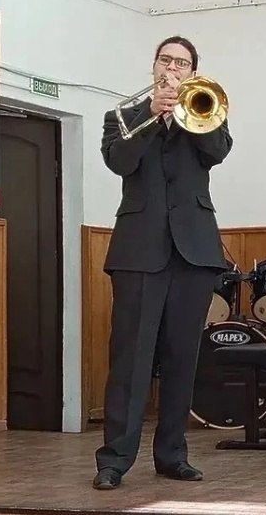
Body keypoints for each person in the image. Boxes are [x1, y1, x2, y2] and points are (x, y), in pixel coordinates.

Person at [92, 36, 232, 490]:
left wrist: (187, 113)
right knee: (130, 359)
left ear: (193, 72)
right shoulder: (122, 116)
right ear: (153, 66)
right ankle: (114, 461)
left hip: (194, 250)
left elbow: (217, 152)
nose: (172, 68)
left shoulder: (207, 109)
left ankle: (173, 455)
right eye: (166, 60)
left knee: (182, 358)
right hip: (139, 249)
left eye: (182, 63)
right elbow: (120, 162)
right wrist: (152, 114)